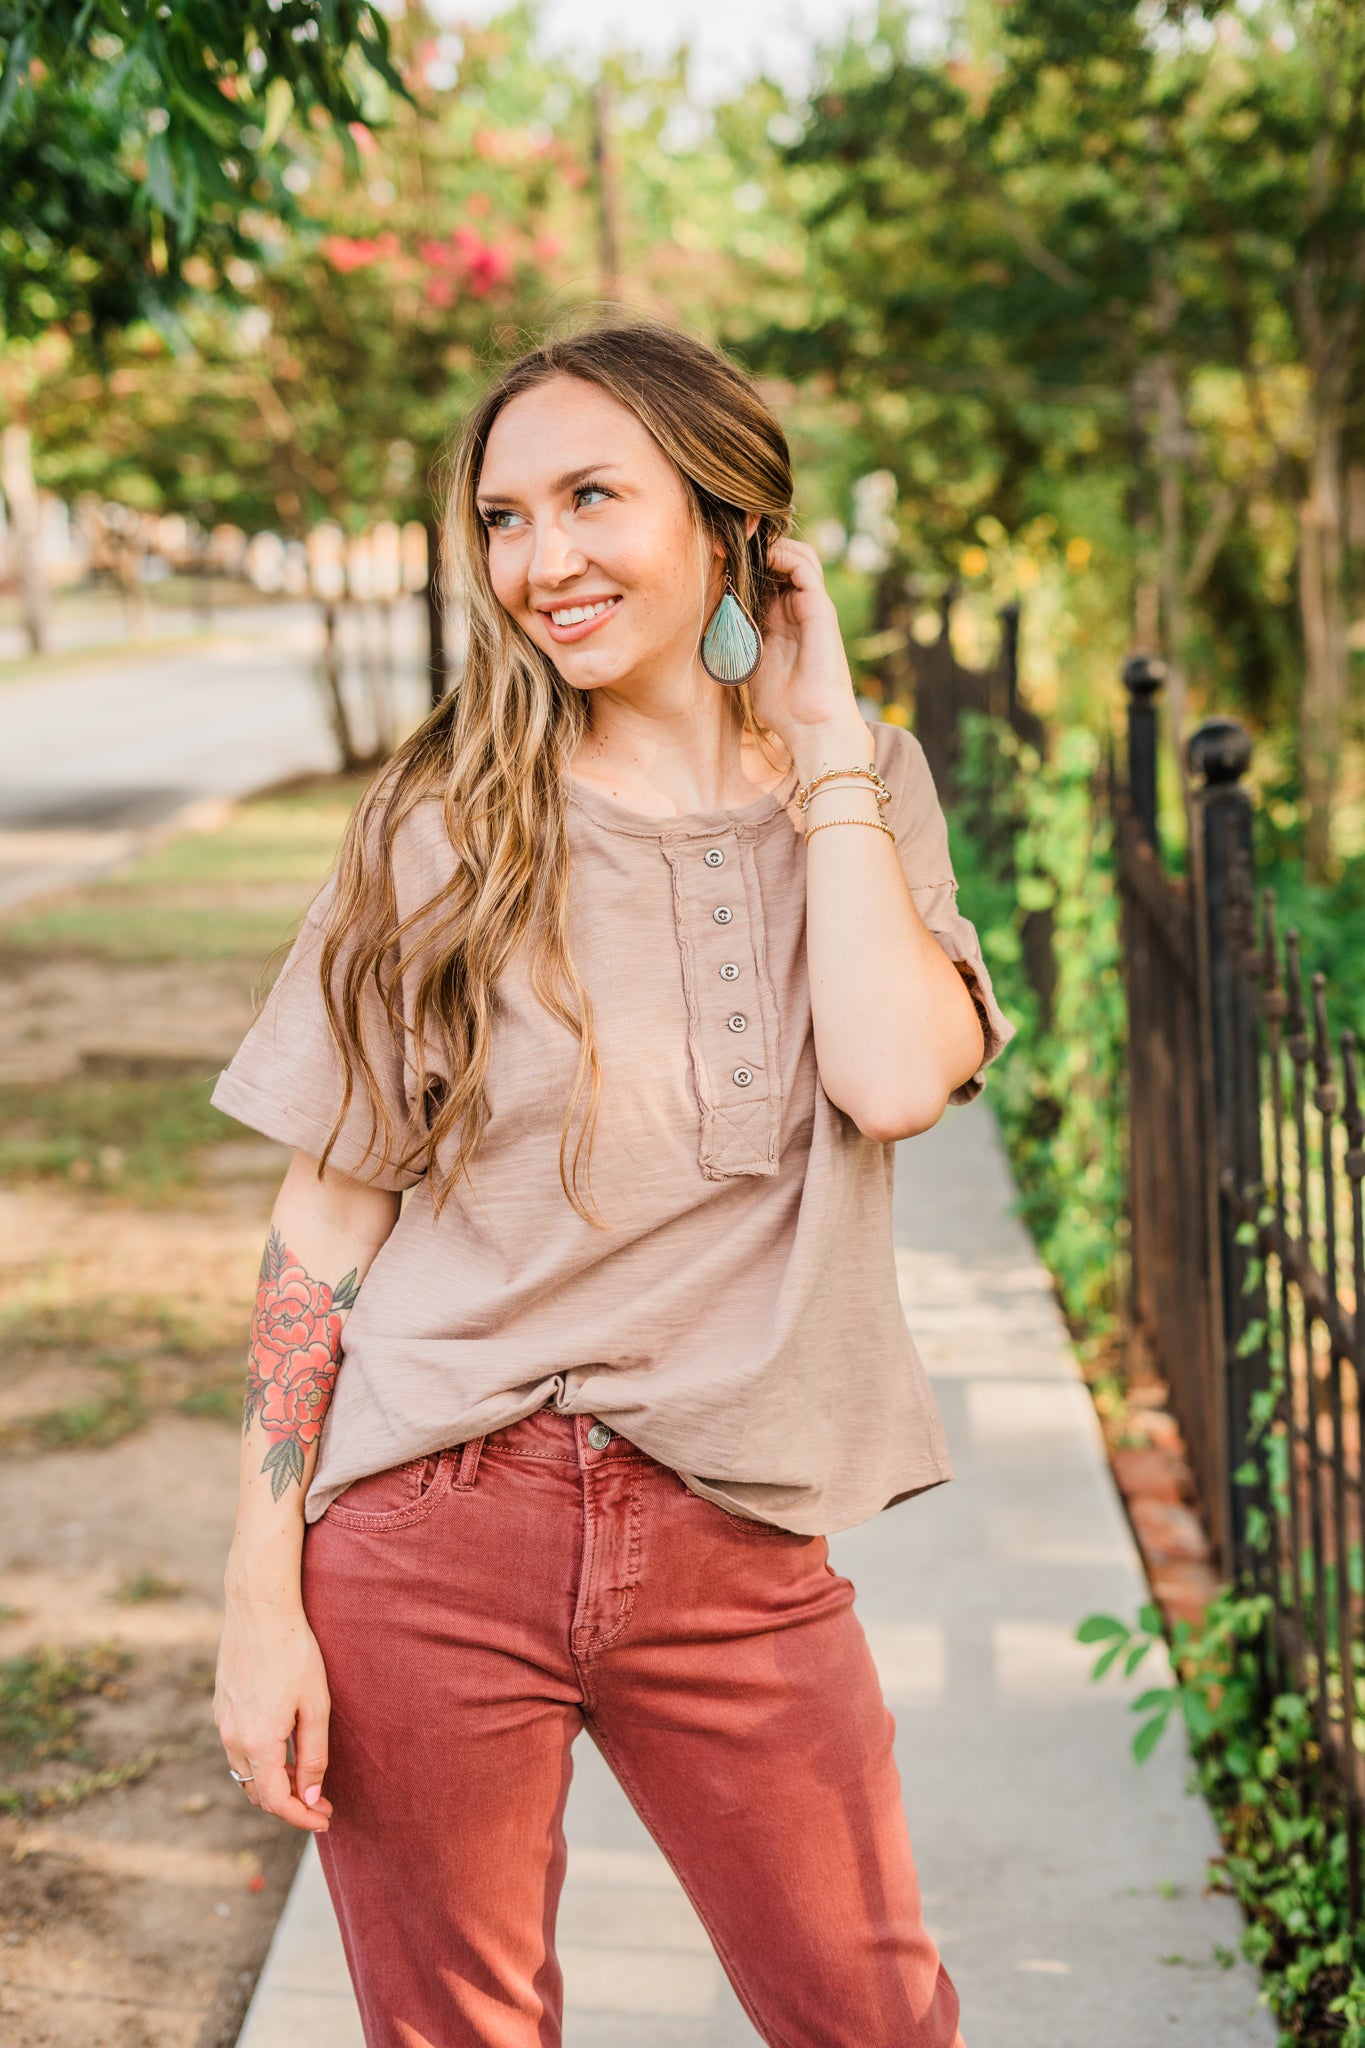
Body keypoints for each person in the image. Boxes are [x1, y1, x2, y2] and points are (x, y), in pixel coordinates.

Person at [211, 316, 1016, 2048]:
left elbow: (892, 1078)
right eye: (503, 517)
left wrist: (816, 744)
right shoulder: (438, 824)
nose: (541, 561)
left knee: (872, 2016)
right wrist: (259, 1595)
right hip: (428, 1530)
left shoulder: (858, 790)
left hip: (731, 1525)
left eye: (591, 497)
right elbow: (328, 1218)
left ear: (731, 524)